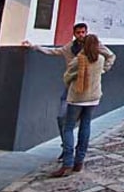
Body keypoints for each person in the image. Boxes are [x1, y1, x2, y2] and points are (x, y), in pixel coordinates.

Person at [22, 23, 115, 160]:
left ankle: (72, 157)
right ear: (74, 33)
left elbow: (111, 56)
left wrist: (102, 71)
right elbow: (54, 52)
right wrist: (34, 46)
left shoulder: (94, 45)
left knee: (80, 123)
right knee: (62, 117)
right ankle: (67, 147)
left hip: (89, 89)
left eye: (83, 32)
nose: (81, 35)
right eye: (78, 32)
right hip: (72, 89)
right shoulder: (69, 48)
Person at [51, 34, 106, 177]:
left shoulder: (78, 60)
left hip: (77, 98)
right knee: (85, 127)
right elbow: (104, 66)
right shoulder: (100, 59)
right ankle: (79, 161)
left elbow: (67, 76)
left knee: (68, 128)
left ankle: (67, 163)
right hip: (94, 98)